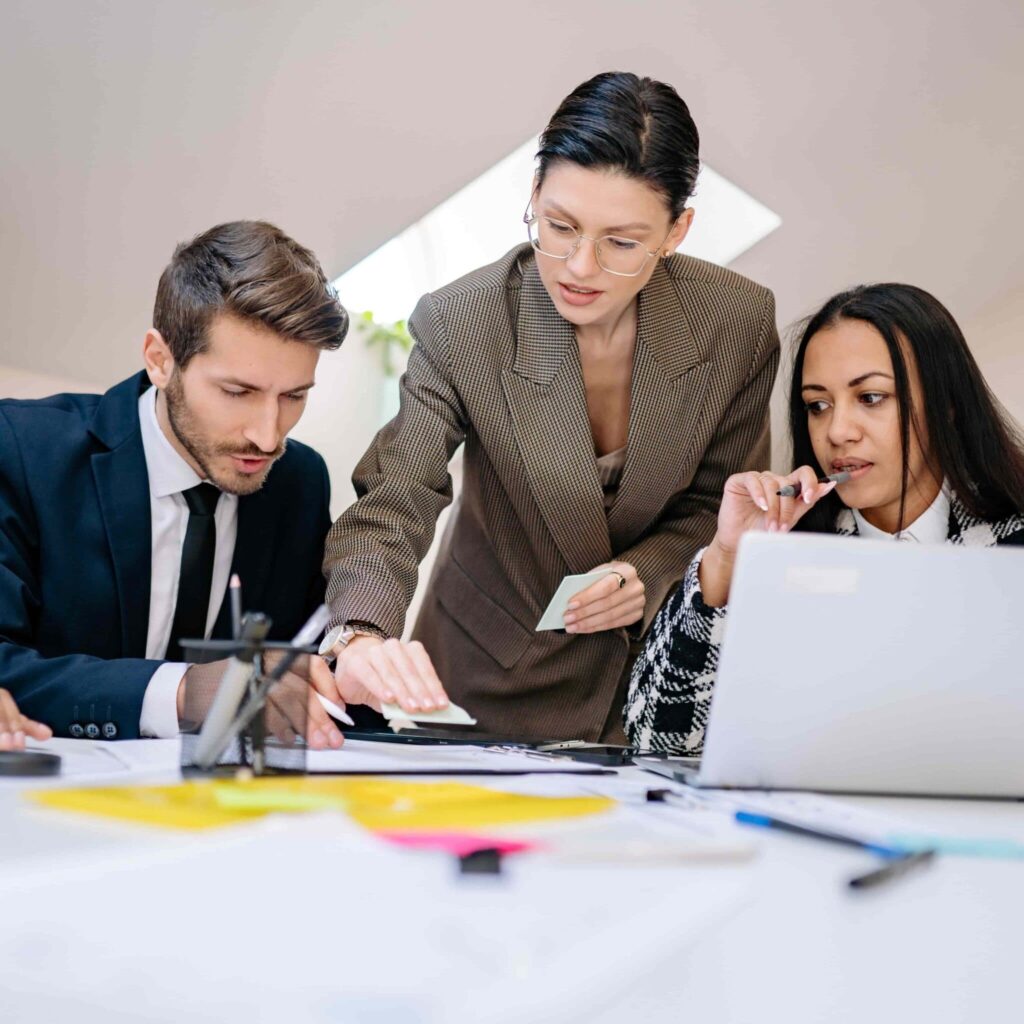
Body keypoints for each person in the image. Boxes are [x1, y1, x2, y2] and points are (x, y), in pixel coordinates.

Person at [322, 72, 780, 741]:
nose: (579, 266)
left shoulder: (735, 323)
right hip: (482, 680)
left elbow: (719, 506)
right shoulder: (463, 322)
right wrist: (358, 635)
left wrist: (644, 573)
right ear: (533, 194)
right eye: (559, 225)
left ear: (677, 230)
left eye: (621, 242)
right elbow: (395, 497)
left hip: (652, 686)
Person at [626, 283, 1024, 753]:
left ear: (948, 405)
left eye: (871, 398)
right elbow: (657, 739)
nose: (837, 432)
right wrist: (727, 559)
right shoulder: (787, 551)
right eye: (818, 405)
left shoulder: (1010, 543)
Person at [0, 220, 349, 746]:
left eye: (294, 396)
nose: (267, 435)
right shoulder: (24, 450)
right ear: (160, 360)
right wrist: (182, 690)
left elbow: (307, 676)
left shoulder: (299, 482)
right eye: (237, 391)